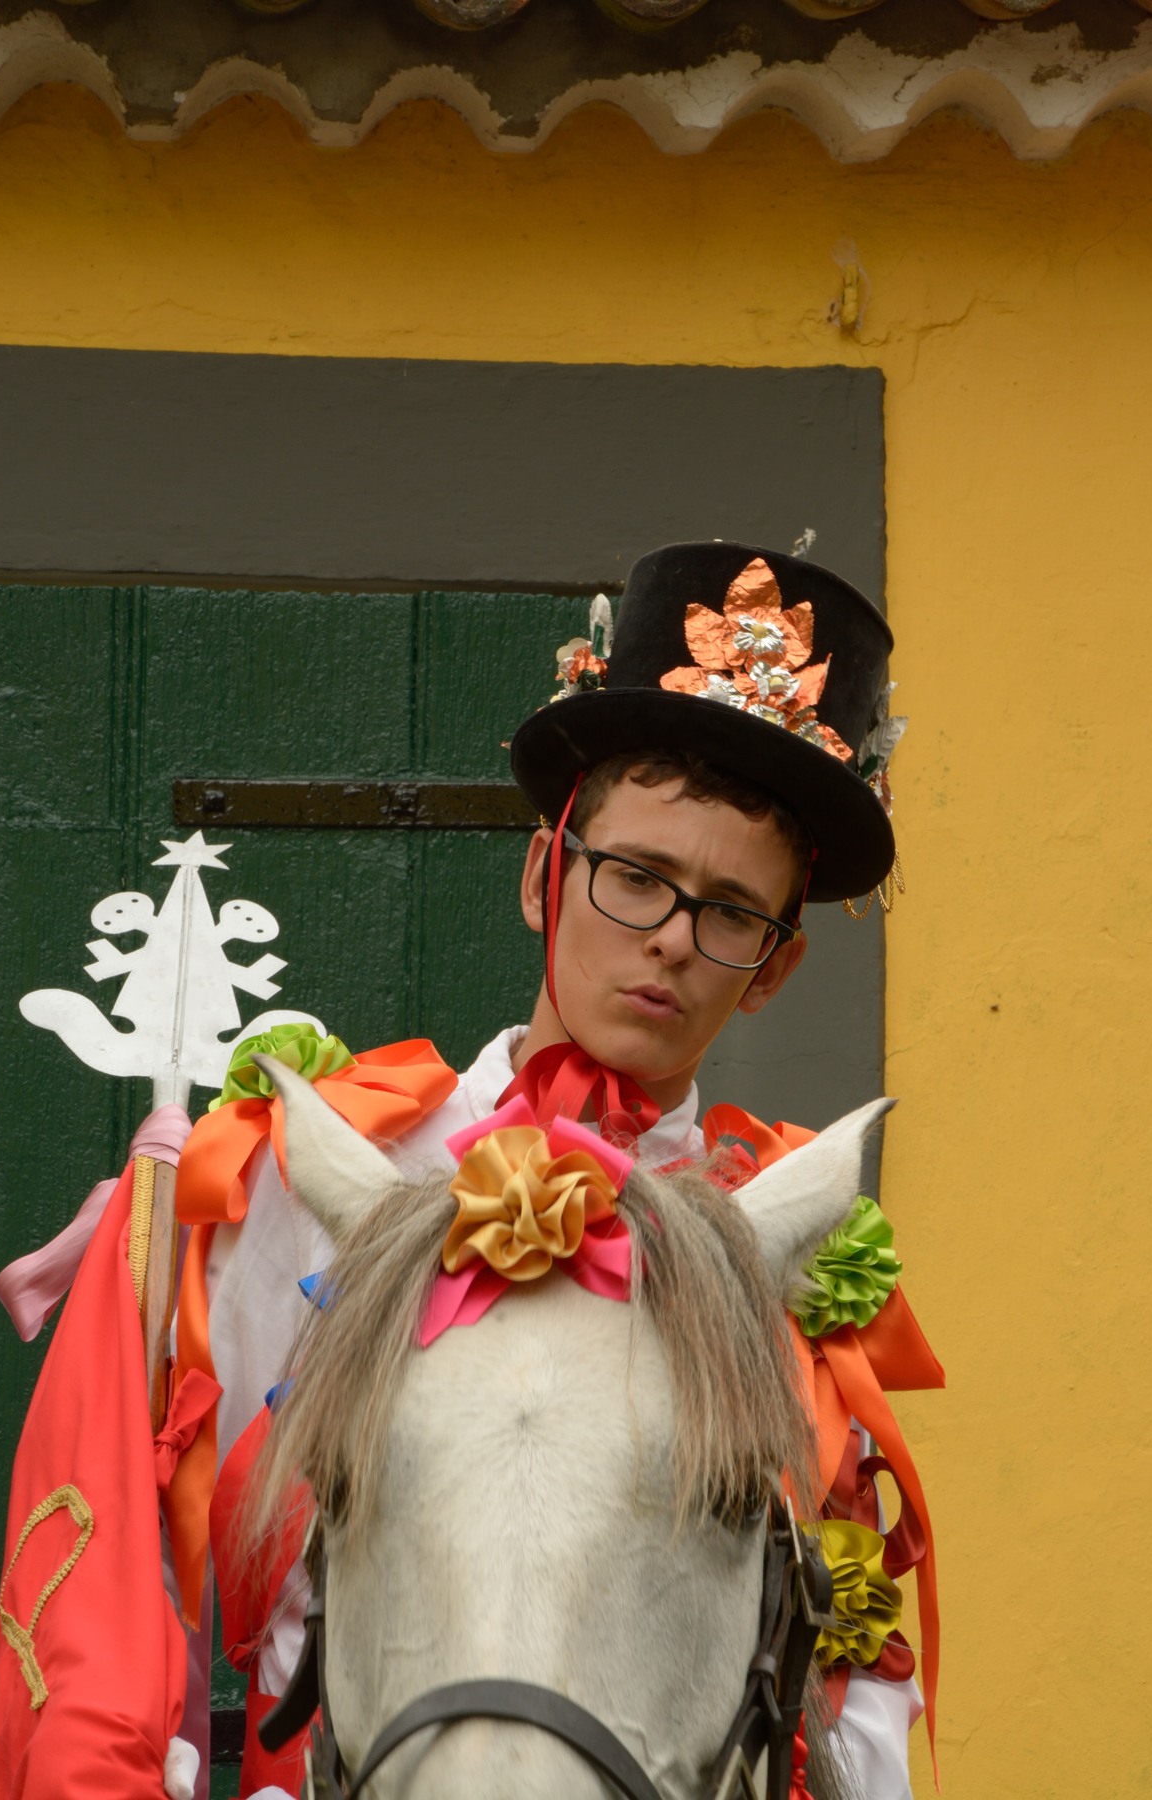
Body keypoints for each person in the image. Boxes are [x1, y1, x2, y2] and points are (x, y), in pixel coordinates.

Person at [170, 540, 939, 1799]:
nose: (672, 943)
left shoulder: (795, 1266)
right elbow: (164, 1587)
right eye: (636, 877)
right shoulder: (313, 1180)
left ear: (774, 966)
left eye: (730, 913)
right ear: (545, 875)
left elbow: (849, 1705)